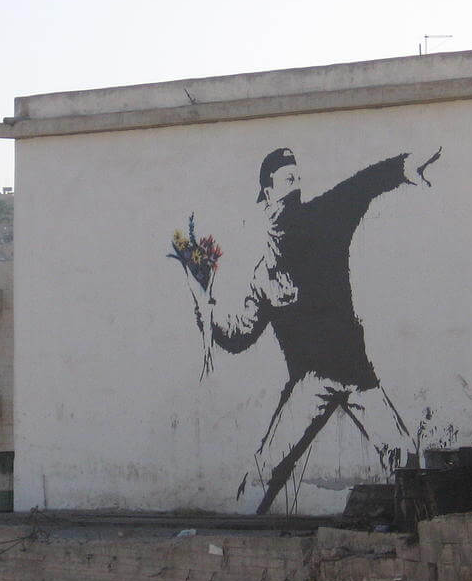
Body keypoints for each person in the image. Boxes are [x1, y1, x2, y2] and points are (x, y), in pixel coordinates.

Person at [183, 146, 441, 513]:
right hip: (310, 383)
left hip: (357, 376)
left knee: (403, 457)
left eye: (298, 179)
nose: (296, 187)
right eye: (288, 180)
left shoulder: (323, 219)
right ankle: (240, 527)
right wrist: (206, 312)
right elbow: (240, 336)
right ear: (268, 192)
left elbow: (359, 187)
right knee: (264, 472)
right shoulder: (265, 272)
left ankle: (420, 525)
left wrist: (402, 167)